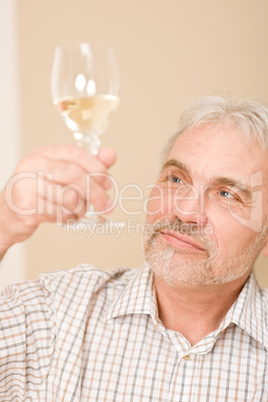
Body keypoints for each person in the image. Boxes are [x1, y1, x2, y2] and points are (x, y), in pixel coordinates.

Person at [0, 94, 268, 401]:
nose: (184, 212)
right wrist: (4, 223)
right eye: (177, 179)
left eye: (226, 194)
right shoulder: (55, 313)